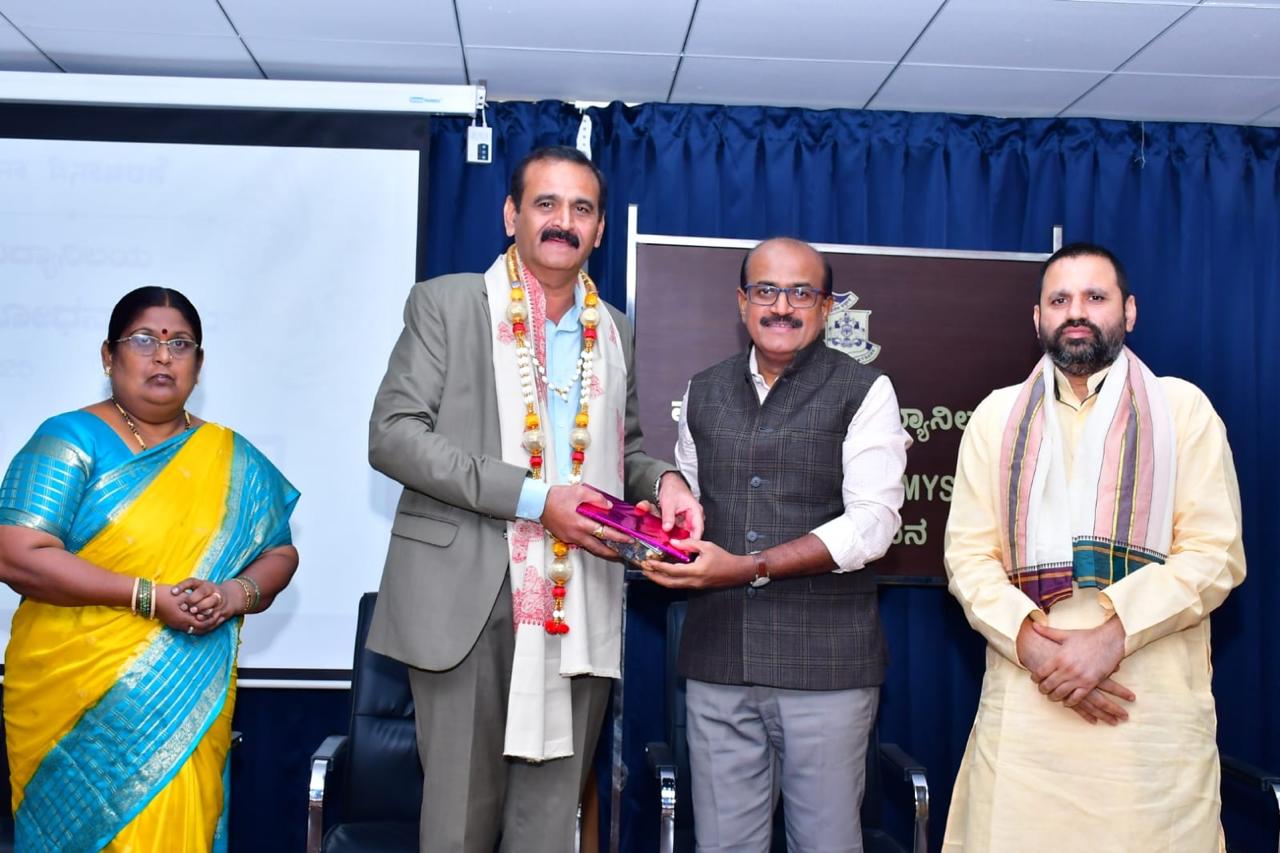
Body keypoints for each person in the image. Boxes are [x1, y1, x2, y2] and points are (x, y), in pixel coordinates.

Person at [367, 145, 702, 852]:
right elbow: (394, 436)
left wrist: (665, 482)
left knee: (550, 825)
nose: (562, 221)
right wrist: (533, 499)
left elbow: (623, 451)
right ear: (510, 215)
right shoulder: (447, 303)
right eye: (545, 203)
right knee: (458, 824)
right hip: (464, 594)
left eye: (581, 208)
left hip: (578, 598)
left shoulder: (613, 328)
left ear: (600, 230)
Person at [943, 242, 1246, 852]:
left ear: (1128, 311)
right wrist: (1035, 650)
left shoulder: (1182, 411)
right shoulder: (997, 418)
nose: (1076, 311)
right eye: (1060, 299)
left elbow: (1214, 554)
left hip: (1146, 712)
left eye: (1095, 296)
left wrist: (1111, 640)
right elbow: (968, 559)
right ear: (1038, 318)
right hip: (1029, 706)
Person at [0, 286, 300, 851]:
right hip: (72, 699)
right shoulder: (68, 440)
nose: (163, 356)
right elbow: (16, 552)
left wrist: (233, 594)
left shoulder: (230, 456)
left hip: (181, 700)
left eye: (180, 344)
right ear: (108, 356)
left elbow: (280, 553)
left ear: (199, 364)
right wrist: (146, 597)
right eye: (144, 340)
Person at [641, 237, 911, 852]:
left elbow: (873, 525)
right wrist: (658, 532)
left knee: (825, 843)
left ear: (827, 307)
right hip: (717, 660)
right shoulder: (704, 390)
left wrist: (749, 566)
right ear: (742, 302)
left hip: (827, 668)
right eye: (766, 291)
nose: (781, 307)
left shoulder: (866, 389)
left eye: (800, 293)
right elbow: (696, 507)